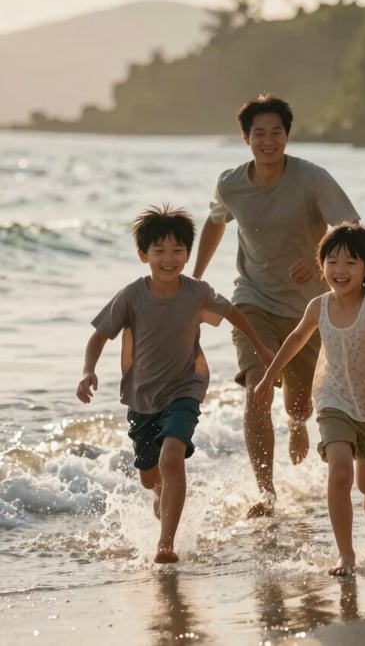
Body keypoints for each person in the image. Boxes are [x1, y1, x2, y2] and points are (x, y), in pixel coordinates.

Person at [192, 93, 359, 518]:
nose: (269, 141)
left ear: (287, 135)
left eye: (276, 133)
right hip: (252, 298)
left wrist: (320, 261)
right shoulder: (231, 183)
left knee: (299, 403)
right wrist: (195, 279)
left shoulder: (312, 179)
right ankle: (265, 493)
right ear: (245, 138)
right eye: (259, 134)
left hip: (308, 307)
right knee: (257, 387)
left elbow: (349, 226)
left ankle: (299, 424)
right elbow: (215, 221)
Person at [76, 204, 273, 564]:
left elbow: (232, 313)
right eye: (160, 251)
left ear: (188, 254)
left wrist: (260, 348)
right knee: (150, 476)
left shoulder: (196, 292)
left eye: (178, 251)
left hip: (186, 387)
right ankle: (160, 498)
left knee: (172, 458)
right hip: (142, 396)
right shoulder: (132, 295)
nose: (169, 258)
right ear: (143, 255)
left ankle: (165, 543)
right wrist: (88, 370)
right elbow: (99, 336)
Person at [253, 223, 365, 576]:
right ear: (321, 264)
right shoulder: (318, 306)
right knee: (340, 469)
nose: (339, 270)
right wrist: (270, 377)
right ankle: (346, 554)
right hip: (333, 396)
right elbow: (296, 340)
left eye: (350, 263)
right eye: (332, 261)